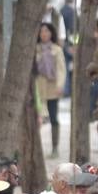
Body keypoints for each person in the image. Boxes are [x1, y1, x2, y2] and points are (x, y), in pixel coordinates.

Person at [36, 23, 68, 155]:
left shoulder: (57, 49)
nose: (44, 34)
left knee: (54, 118)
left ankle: (55, 147)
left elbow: (61, 69)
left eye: (46, 31)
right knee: (37, 119)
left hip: (52, 89)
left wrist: (60, 85)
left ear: (51, 33)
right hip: (38, 88)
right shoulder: (35, 49)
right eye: (42, 31)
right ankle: (36, 148)